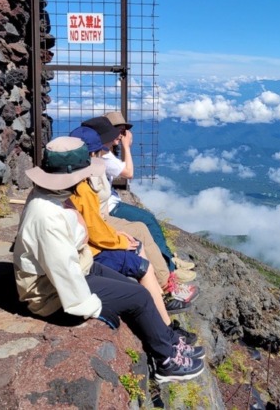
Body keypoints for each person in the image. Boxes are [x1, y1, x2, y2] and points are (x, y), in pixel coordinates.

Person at [12, 136, 204, 382]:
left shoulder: (52, 197)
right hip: (50, 293)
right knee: (138, 296)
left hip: (80, 268)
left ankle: (167, 340)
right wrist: (92, 308)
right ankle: (165, 360)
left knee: (133, 286)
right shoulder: (48, 216)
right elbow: (63, 272)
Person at [69, 125, 197, 314]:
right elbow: (93, 226)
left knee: (143, 225)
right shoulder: (84, 183)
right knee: (139, 231)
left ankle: (168, 277)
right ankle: (167, 287)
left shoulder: (86, 172)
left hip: (101, 218)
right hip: (101, 221)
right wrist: (118, 239)